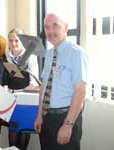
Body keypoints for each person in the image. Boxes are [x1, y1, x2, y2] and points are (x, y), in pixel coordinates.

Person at [34, 13, 89, 150]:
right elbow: (44, 87)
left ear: (66, 28)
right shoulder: (49, 54)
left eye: (55, 26)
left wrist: (67, 125)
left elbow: (80, 92)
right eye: (46, 27)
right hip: (47, 117)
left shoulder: (77, 53)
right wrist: (39, 115)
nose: (50, 31)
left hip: (65, 117)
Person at [4, 28, 39, 150]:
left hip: (25, 98)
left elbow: (33, 81)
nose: (13, 44)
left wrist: (24, 91)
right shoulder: (6, 56)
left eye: (16, 41)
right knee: (12, 128)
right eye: (11, 40)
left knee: (24, 129)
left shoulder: (30, 56)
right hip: (10, 97)